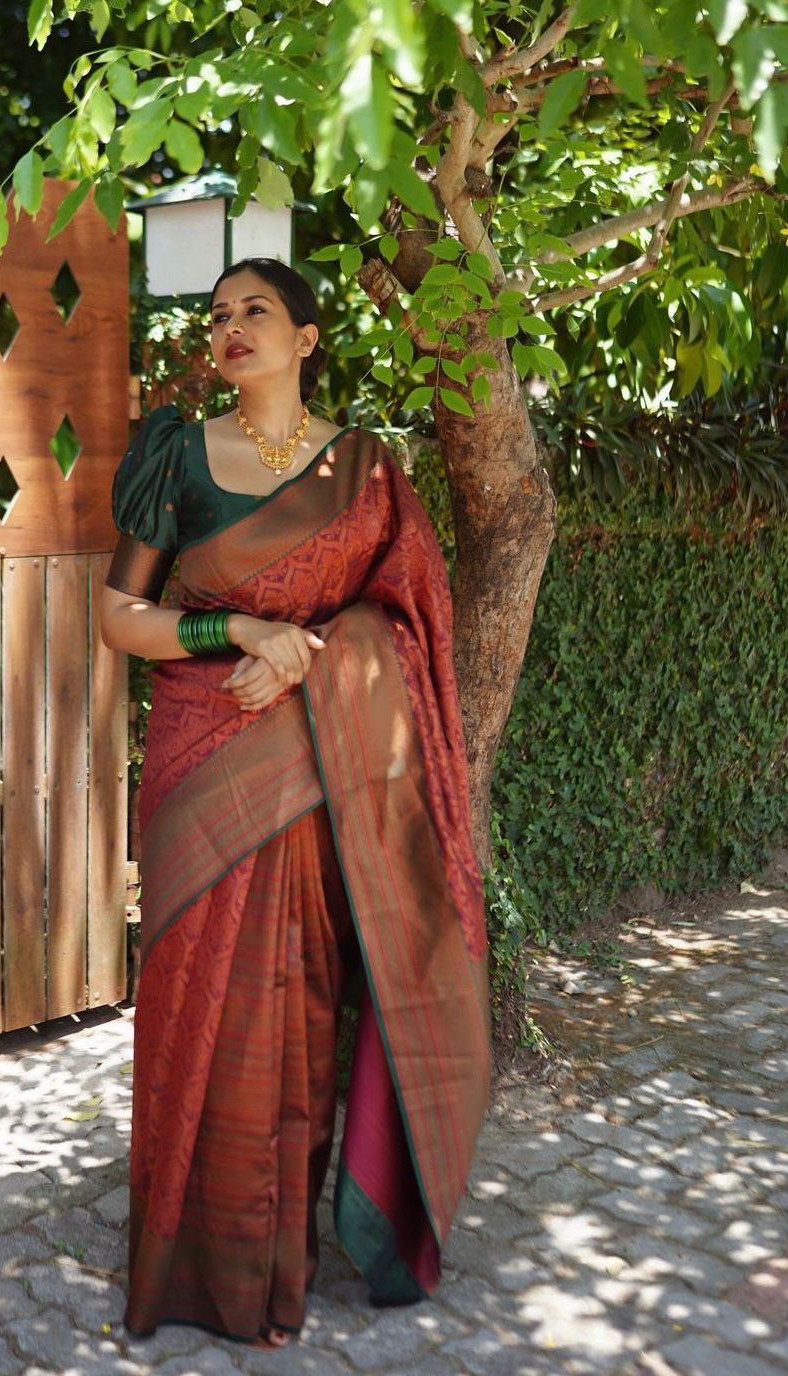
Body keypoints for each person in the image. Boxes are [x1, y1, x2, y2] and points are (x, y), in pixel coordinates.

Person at [98, 256, 492, 1350]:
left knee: (299, 1003)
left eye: (256, 310)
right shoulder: (173, 451)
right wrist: (245, 631)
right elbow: (121, 614)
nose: (230, 328)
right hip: (198, 759)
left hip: (318, 776)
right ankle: (189, 1260)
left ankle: (278, 1254)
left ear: (309, 335)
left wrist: (319, 655)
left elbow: (405, 620)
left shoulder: (367, 470)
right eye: (219, 315)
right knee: (196, 1006)